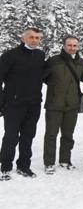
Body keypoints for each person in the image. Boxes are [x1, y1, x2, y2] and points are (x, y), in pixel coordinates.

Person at [0, 27, 46, 180]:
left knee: (28, 136)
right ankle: (5, 167)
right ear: (23, 38)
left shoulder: (40, 55)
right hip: (13, 104)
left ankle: (23, 166)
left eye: (37, 38)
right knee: (11, 136)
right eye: (31, 37)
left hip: (33, 104)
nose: (34, 40)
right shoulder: (10, 56)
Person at [42, 36, 83, 174]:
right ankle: (49, 163)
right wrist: (56, 88)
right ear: (64, 45)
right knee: (51, 134)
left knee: (68, 134)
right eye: (69, 45)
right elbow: (44, 77)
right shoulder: (53, 61)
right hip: (54, 104)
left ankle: (65, 160)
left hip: (72, 104)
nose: (72, 48)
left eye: (74, 46)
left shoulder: (81, 62)